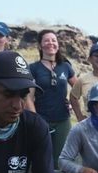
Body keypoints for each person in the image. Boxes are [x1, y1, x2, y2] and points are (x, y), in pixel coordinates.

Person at [28, 30, 76, 159]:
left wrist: (72, 104)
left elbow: (78, 90)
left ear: (58, 45)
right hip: (42, 119)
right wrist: (36, 120)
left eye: (54, 40)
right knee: (41, 157)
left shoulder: (65, 67)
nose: (51, 43)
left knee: (61, 159)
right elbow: (28, 98)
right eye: (47, 40)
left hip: (63, 120)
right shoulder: (33, 68)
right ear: (40, 46)